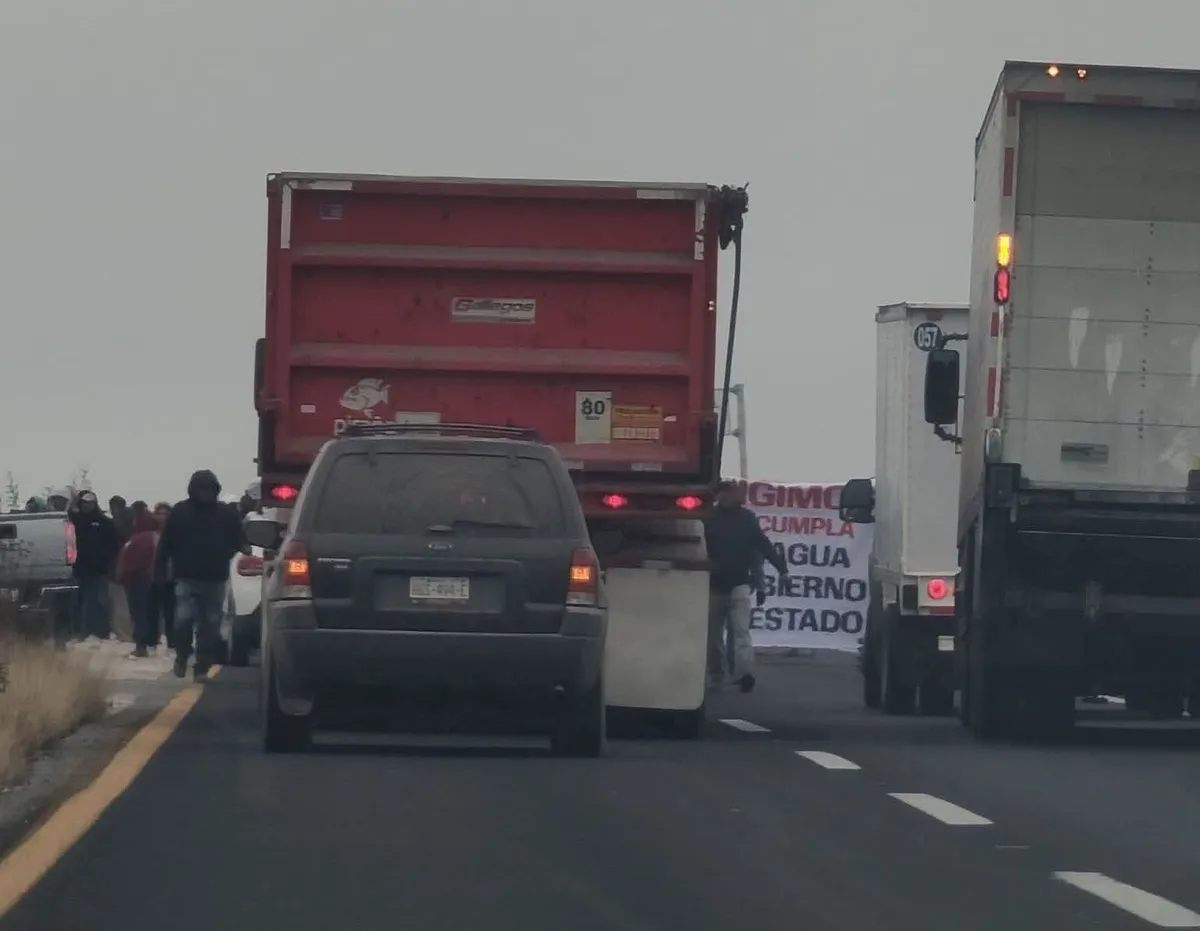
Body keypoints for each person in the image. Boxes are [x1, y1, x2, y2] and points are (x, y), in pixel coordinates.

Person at [155, 471, 245, 682]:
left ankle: (201, 668)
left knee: (210, 627)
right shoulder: (180, 511)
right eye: (201, 489)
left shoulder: (225, 514)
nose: (206, 493)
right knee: (183, 621)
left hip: (215, 579)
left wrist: (230, 552)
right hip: (186, 577)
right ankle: (182, 656)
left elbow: (238, 539)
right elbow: (166, 543)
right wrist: (160, 570)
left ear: (216, 490)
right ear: (193, 490)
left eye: (209, 489)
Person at [703, 480, 788, 694]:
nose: (733, 496)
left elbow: (762, 545)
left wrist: (782, 569)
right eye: (728, 493)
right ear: (719, 496)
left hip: (739, 584)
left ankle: (743, 674)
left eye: (733, 492)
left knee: (741, 633)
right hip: (713, 585)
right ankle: (716, 674)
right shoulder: (707, 519)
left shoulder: (747, 519)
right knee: (713, 637)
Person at [68, 490, 120, 640]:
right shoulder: (74, 522)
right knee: (78, 602)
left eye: (90, 503)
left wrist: (106, 561)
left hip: (99, 570)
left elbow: (113, 545)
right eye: (84, 502)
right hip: (78, 568)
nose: (87, 506)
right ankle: (79, 632)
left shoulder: (105, 522)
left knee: (100, 602)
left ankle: (101, 632)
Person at [116, 510, 161, 657]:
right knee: (148, 613)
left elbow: (131, 561)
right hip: (149, 580)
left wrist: (123, 575)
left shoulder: (140, 539)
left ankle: (141, 645)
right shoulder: (155, 537)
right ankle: (149, 643)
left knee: (139, 614)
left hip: (138, 580)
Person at [147, 502, 176, 651]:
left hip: (171, 578)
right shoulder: (149, 534)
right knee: (152, 612)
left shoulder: (176, 534)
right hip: (152, 577)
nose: (162, 517)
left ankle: (172, 642)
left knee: (171, 612)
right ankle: (151, 641)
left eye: (165, 514)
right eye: (159, 514)